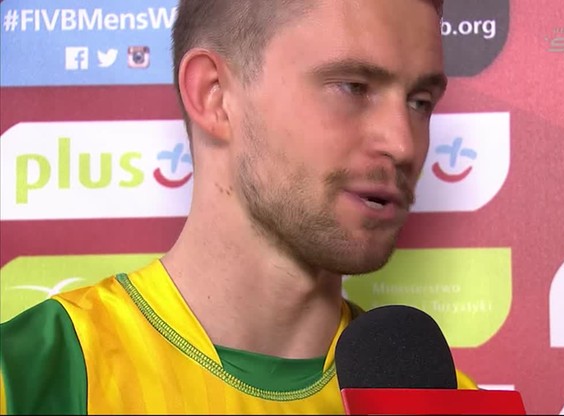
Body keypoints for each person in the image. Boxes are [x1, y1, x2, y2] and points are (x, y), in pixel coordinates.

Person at [0, 0, 477, 413]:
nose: (402, 144)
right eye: (353, 87)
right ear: (214, 95)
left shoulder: (449, 402)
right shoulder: (30, 377)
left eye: (420, 102)